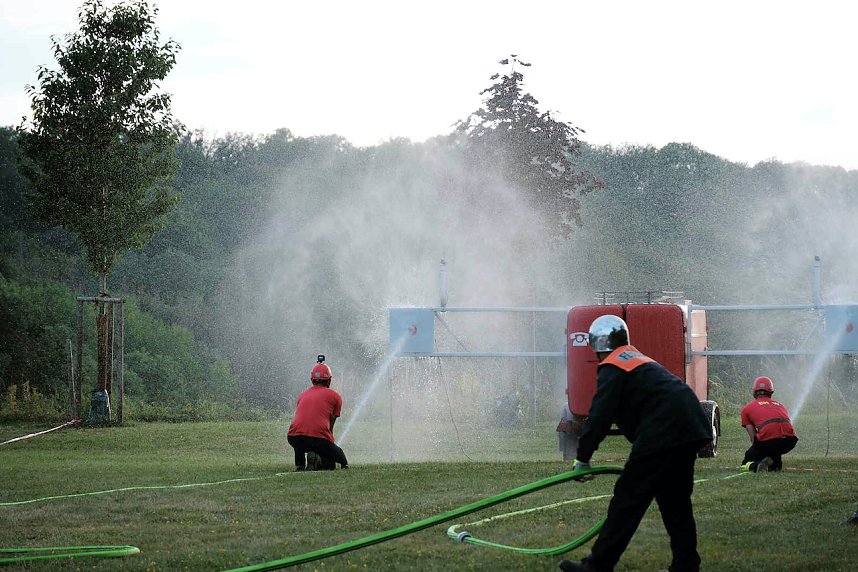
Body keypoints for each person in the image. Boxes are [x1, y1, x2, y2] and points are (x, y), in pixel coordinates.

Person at [559, 315, 713, 572]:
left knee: (627, 500)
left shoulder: (613, 365)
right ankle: (686, 566)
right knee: (675, 503)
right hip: (690, 424)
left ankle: (596, 566)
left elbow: (599, 415)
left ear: (597, 345)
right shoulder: (635, 358)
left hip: (664, 430)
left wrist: (582, 457)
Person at [287, 355, 349, 471]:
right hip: (317, 439)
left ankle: (300, 464)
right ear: (329, 380)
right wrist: (329, 446)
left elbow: (302, 420)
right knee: (333, 461)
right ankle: (321, 459)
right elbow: (330, 426)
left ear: (312, 380)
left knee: (300, 441)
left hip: (293, 437)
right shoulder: (335, 397)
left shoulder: (303, 395)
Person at [739, 376, 798, 473]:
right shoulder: (780, 405)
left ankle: (757, 465)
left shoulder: (746, 409)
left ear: (754, 392)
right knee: (774, 461)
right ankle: (774, 464)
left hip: (768, 441)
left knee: (746, 463)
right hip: (790, 441)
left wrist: (757, 453)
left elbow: (753, 438)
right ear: (771, 392)